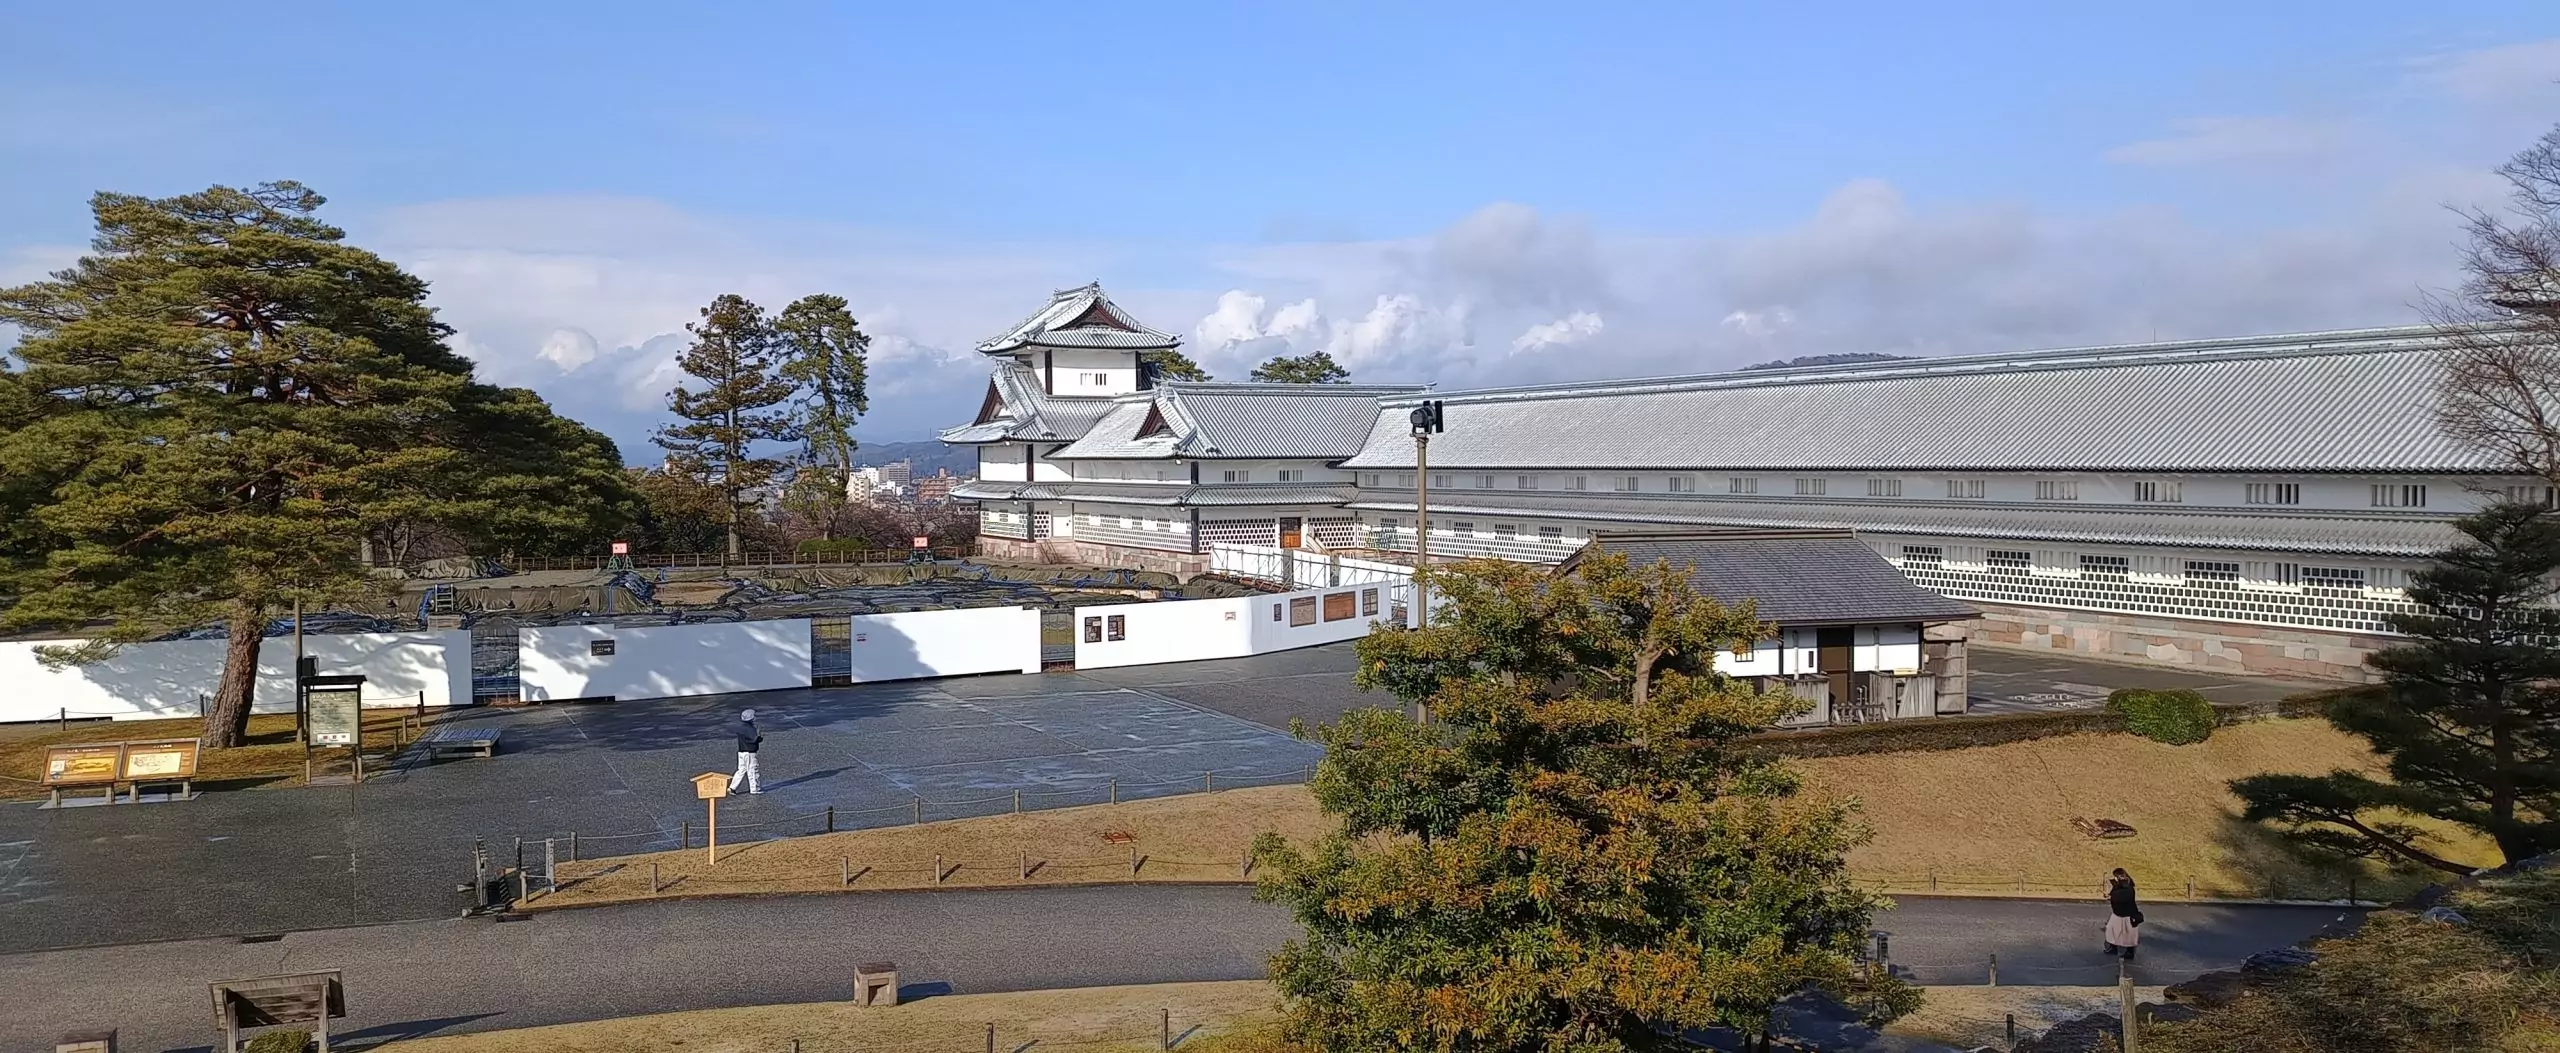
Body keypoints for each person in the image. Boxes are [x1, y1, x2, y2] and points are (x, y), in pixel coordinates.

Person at [2103, 868, 2143, 960]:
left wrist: (2111, 896)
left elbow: (2122, 897)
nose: (2115, 879)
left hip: (2128, 914)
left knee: (2129, 934)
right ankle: (2112, 947)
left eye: (2115, 877)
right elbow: (2115, 894)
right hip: (2118, 913)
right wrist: (2110, 895)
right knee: (2111, 930)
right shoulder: (2119, 886)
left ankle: (2130, 952)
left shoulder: (2128, 887)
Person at [728, 708, 763, 795]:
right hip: (750, 752)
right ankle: (755, 789)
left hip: (741, 751)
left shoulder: (740, 727)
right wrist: (760, 738)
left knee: (741, 770)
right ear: (751, 718)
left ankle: (732, 787)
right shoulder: (750, 728)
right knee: (753, 770)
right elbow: (754, 739)